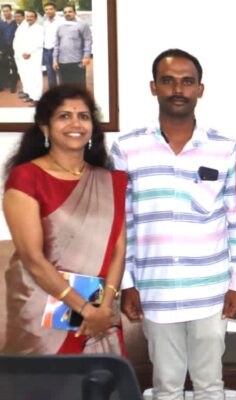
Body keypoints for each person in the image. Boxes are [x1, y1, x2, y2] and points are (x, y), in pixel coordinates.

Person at [111, 49, 236, 399]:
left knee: (209, 386)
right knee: (166, 387)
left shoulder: (225, 148)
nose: (178, 89)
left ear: (200, 89)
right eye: (168, 81)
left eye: (187, 81)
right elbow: (121, 224)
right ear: (153, 87)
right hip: (154, 290)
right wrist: (127, 284)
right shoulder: (127, 148)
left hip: (210, 291)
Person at [2, 85, 126, 355]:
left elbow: (118, 248)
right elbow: (32, 258)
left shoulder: (109, 181)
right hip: (42, 311)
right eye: (64, 116)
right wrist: (83, 309)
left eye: (83, 116)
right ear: (45, 127)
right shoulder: (26, 178)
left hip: (100, 311)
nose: (75, 123)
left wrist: (104, 306)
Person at [53, 4, 91, 88]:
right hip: (63, 61)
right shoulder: (60, 26)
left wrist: (86, 56)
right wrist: (55, 60)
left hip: (77, 60)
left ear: (75, 12)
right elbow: (56, 44)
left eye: (70, 11)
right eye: (65, 12)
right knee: (65, 85)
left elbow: (87, 40)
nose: (67, 13)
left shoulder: (82, 25)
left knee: (79, 85)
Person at [13, 11, 43, 104]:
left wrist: (29, 52)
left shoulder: (39, 28)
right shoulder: (24, 28)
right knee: (28, 76)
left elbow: (39, 42)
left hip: (34, 55)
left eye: (31, 16)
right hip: (22, 56)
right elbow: (20, 41)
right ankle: (30, 95)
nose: (29, 18)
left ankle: (37, 98)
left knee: (36, 75)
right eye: (28, 16)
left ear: (35, 18)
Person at [41, 2, 62, 89]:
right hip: (46, 51)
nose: (48, 11)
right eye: (46, 9)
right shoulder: (45, 22)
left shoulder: (61, 21)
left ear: (55, 10)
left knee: (60, 73)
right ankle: (53, 93)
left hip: (57, 51)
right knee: (50, 73)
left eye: (50, 9)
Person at [0, 4, 17, 93]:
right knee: (3, 65)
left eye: (7, 10)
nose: (6, 12)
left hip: (15, 47)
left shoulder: (16, 22)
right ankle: (2, 84)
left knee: (14, 65)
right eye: (4, 11)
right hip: (4, 47)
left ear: (11, 10)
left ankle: (13, 85)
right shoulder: (1, 23)